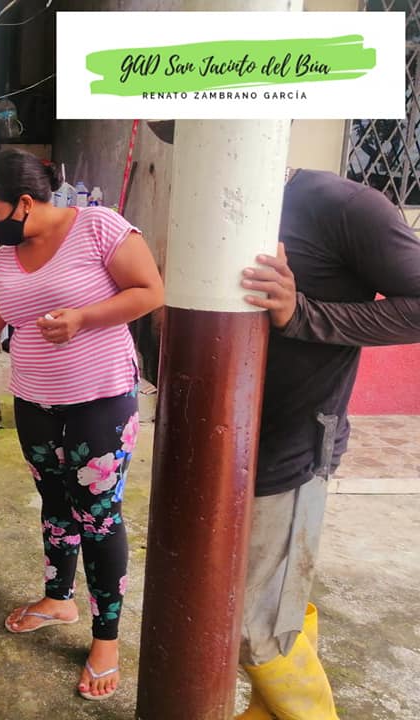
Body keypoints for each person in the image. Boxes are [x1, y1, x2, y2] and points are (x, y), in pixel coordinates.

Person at [0, 149, 164, 700]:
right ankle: (59, 599)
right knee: (56, 505)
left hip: (100, 400)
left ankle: (106, 638)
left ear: (25, 203)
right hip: (36, 404)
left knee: (99, 519)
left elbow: (149, 292)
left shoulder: (99, 228)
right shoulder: (3, 260)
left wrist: (83, 317)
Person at [234, 168, 420, 719]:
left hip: (293, 449)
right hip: (219, 443)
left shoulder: (342, 205)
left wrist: (302, 314)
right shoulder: (210, 190)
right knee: (259, 609)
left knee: (256, 625)